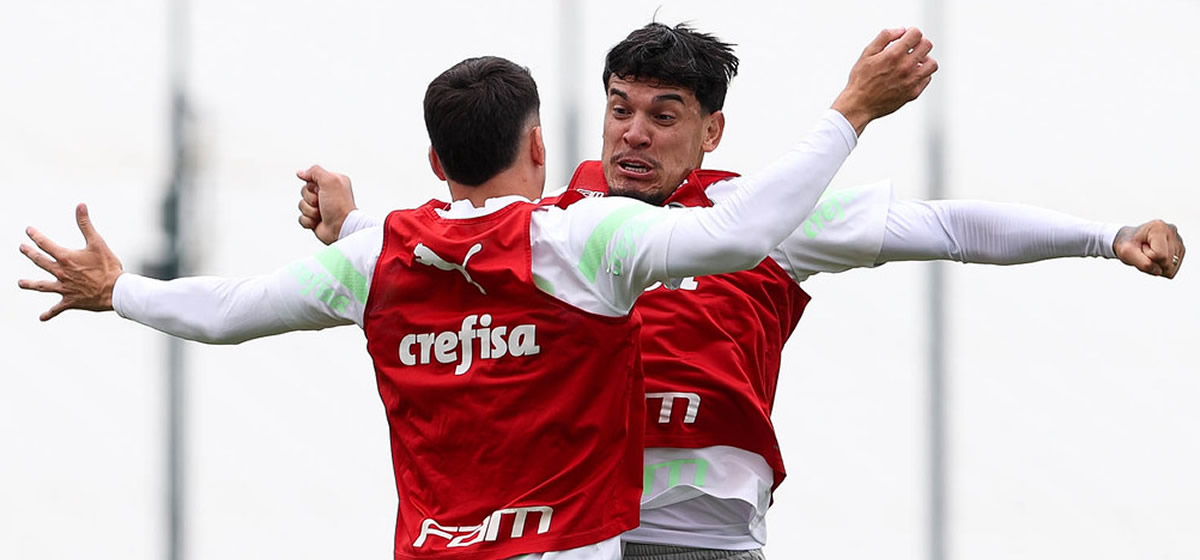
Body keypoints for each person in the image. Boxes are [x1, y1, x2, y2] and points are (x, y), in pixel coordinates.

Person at [18, 39, 930, 560]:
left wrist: (120, 289)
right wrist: (849, 108)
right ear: (541, 151)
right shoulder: (577, 239)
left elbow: (224, 312)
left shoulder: (382, 258)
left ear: (432, 160)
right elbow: (733, 235)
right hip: (571, 544)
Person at [300, 24, 1186, 559]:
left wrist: (1103, 239)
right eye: (620, 108)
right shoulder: (557, 220)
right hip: (564, 529)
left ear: (710, 128)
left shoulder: (762, 216)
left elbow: (948, 228)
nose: (634, 133)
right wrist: (351, 226)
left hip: (703, 536)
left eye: (663, 113)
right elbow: (435, 254)